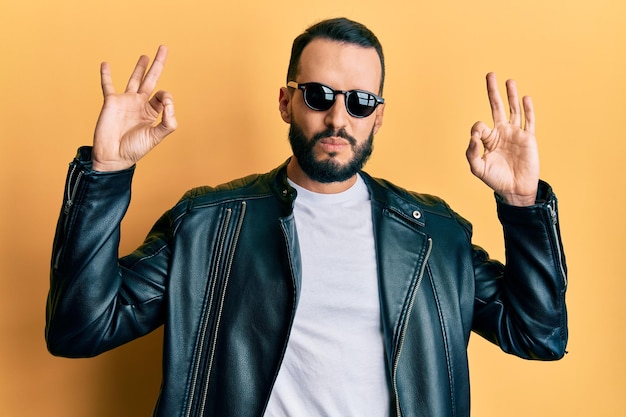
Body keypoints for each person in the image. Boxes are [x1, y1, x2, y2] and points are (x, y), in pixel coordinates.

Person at [46, 17, 568, 417]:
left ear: (379, 115)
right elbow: (80, 329)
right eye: (318, 96)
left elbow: (538, 335)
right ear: (285, 102)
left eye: (361, 102)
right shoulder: (207, 224)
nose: (339, 118)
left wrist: (523, 206)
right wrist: (106, 172)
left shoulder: (434, 235)